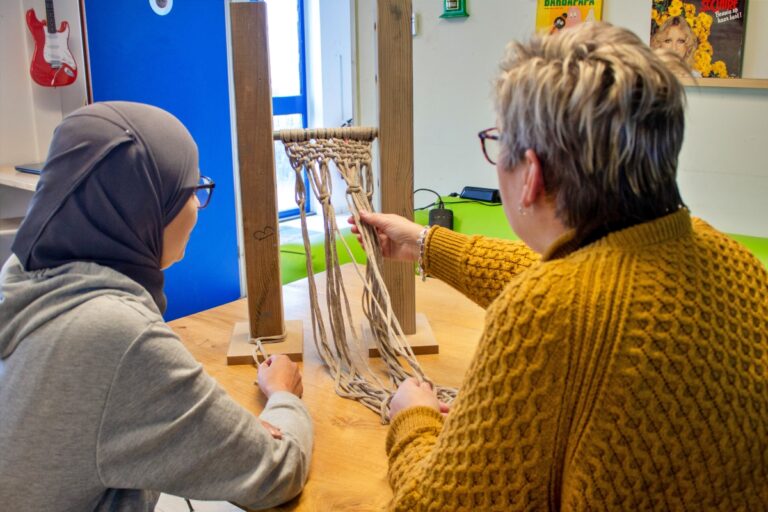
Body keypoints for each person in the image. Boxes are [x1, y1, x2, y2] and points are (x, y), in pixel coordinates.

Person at [354, 23, 768, 510]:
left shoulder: (548, 313)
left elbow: (429, 507)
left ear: (531, 173)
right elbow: (592, 287)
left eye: (498, 141)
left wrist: (413, 419)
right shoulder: (735, 262)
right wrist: (424, 243)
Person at [0, 102, 313, 510]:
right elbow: (277, 472)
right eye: (191, 191)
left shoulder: (25, 282)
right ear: (145, 204)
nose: (197, 209)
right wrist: (284, 397)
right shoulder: (116, 334)